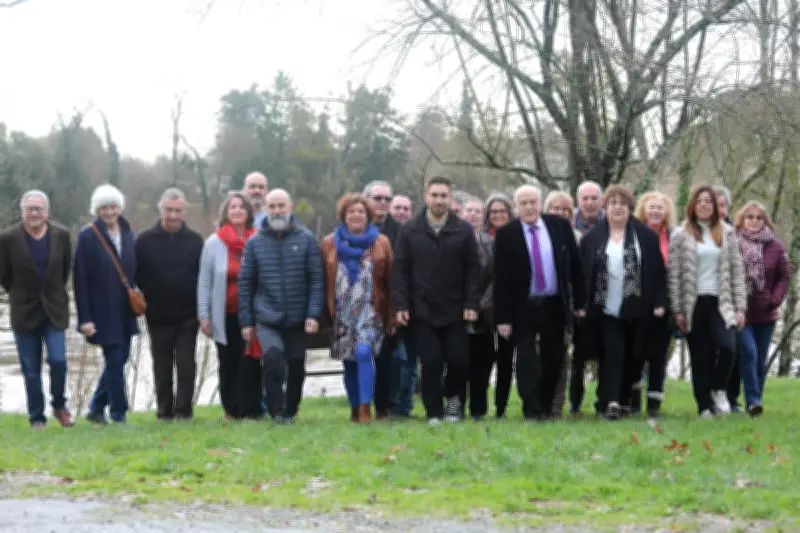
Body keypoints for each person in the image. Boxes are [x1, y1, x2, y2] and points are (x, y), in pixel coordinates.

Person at [392, 176, 481, 424]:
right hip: (422, 310)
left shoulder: (463, 229)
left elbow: (473, 270)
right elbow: (400, 270)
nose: (439, 200)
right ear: (426, 197)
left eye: (444, 196)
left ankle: (454, 404)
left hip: (456, 310)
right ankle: (433, 412)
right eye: (435, 195)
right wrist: (400, 305)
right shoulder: (410, 229)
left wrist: (471, 304)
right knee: (430, 363)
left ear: (450, 198)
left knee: (458, 361)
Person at [494, 185, 585, 420]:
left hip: (553, 304)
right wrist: (503, 318)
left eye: (533, 202)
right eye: (523, 203)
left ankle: (545, 406)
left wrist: (580, 303)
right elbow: (501, 279)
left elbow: (575, 267)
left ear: (540, 203)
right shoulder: (506, 234)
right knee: (526, 359)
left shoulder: (560, 226)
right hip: (522, 307)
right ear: (516, 207)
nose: (529, 207)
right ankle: (531, 408)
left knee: (554, 357)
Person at [578, 186, 667, 420]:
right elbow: (582, 274)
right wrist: (581, 304)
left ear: (630, 208)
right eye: (612, 203)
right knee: (612, 352)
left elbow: (657, 272)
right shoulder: (591, 239)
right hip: (605, 307)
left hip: (637, 307)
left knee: (634, 354)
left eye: (622, 203)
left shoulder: (646, 237)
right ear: (605, 208)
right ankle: (611, 402)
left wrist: (660, 301)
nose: (617, 208)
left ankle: (625, 399)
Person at [238, 189, 324, 423]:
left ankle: (291, 410)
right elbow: (245, 284)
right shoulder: (254, 242)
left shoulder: (306, 239)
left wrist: (313, 314)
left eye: (281, 206)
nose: (277, 211)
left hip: (298, 318)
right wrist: (246, 321)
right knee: (273, 360)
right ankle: (276, 411)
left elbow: (316, 279)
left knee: (296, 365)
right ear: (265, 208)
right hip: (267, 318)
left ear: (290, 206)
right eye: (272, 206)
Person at [668, 185, 746, 418]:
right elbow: (674, 276)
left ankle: (719, 389)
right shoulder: (681, 234)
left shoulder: (727, 233)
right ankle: (704, 406)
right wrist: (678, 311)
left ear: (715, 206)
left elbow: (737, 272)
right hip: (694, 304)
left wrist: (741, 307)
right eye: (699, 201)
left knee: (728, 347)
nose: (703, 205)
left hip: (721, 303)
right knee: (700, 357)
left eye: (708, 201)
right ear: (692, 205)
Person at [0, 190, 74, 429]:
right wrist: (21, 296)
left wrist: (53, 295)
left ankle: (60, 406)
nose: (34, 213)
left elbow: (64, 271)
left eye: (38, 208)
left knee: (59, 360)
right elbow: (4, 276)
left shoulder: (61, 235)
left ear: (47, 212)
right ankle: (36, 417)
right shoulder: (7, 238)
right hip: (24, 313)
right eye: (29, 208)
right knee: (30, 369)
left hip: (54, 310)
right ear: (22, 211)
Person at [320, 194, 393, 423]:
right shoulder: (329, 243)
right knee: (349, 361)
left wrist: (394, 314)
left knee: (363, 352)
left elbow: (392, 279)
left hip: (370, 312)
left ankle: (364, 408)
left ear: (368, 215)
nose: (356, 215)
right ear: (344, 215)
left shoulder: (381, 243)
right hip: (341, 313)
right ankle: (353, 407)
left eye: (360, 211)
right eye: (351, 211)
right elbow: (322, 278)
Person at [135, 188, 203, 421]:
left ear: (184, 211)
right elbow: (136, 276)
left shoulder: (195, 241)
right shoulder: (144, 241)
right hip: (157, 315)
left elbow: (203, 278)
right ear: (160, 209)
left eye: (178, 210)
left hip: (188, 315)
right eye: (169, 210)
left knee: (186, 365)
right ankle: (164, 412)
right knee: (161, 366)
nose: (173, 215)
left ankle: (184, 412)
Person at [74, 184, 139, 425]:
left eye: (113, 206)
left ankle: (95, 408)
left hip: (125, 311)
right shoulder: (87, 236)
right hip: (102, 311)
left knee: (121, 358)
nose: (109, 212)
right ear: (97, 209)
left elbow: (134, 270)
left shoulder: (129, 232)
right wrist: (85, 319)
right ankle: (118, 414)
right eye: (104, 207)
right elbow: (80, 279)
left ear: (119, 207)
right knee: (114, 359)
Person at [197, 192, 262, 420]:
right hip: (223, 315)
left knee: (250, 362)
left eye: (241, 207)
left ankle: (251, 410)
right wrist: (203, 315)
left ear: (248, 212)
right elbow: (205, 281)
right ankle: (230, 410)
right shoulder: (213, 243)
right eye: (232, 207)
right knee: (228, 362)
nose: (237, 211)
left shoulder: (259, 239)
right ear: (225, 212)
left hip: (253, 315)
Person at [732, 201, 790, 416]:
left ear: (766, 221)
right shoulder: (733, 243)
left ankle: (754, 402)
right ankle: (752, 399)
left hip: (767, 314)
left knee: (760, 360)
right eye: (750, 217)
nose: (754, 221)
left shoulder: (776, 246)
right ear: (742, 220)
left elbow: (784, 276)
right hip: (741, 312)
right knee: (749, 352)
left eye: (759, 218)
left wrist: (774, 299)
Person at [631, 191, 678, 418]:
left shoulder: (673, 237)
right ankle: (632, 400)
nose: (656, 211)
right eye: (652, 207)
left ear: (667, 212)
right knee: (636, 353)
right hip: (637, 304)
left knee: (658, 356)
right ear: (643, 209)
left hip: (664, 305)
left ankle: (654, 403)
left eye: (660, 207)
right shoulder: (633, 233)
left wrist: (666, 302)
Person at [363, 180, 402, 418]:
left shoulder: (401, 231)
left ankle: (385, 407)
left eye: (387, 199)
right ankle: (361, 404)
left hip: (390, 304)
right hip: (358, 303)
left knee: (389, 359)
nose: (382, 203)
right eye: (377, 198)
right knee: (361, 356)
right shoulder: (353, 226)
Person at [543, 190, 581, 418]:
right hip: (541, 305)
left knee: (562, 357)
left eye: (564, 210)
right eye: (554, 209)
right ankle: (539, 404)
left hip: (566, 307)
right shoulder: (536, 235)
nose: (559, 213)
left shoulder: (576, 237)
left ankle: (557, 405)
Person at [570, 181, 604, 415]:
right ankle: (575, 404)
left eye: (594, 198)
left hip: (604, 299)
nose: (590, 203)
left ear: (601, 200)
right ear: (578, 200)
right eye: (585, 198)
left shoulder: (611, 224)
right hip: (577, 301)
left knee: (606, 354)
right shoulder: (569, 227)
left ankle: (603, 401)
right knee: (577, 358)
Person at [480, 193, 515, 418]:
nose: (498, 215)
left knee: (505, 359)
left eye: (502, 211)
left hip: (508, 307)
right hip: (484, 307)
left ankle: (501, 407)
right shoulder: (480, 238)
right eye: (494, 212)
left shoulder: (515, 237)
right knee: (483, 359)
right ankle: (480, 405)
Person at [462, 197, 496, 420]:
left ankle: (478, 409)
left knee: (482, 364)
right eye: (469, 210)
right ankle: (455, 405)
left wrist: (480, 305)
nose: (473, 214)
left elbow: (497, 278)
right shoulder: (451, 241)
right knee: (458, 363)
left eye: (477, 211)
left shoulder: (491, 243)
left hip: (484, 316)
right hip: (456, 315)